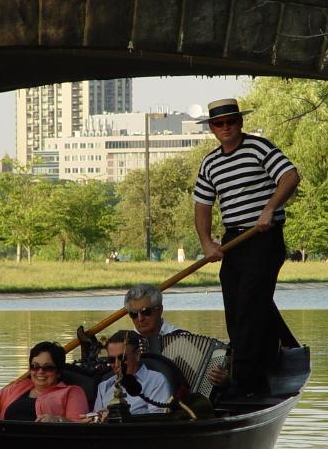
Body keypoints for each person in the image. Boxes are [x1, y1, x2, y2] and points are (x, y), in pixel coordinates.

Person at [193, 98, 300, 394]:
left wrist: (270, 208)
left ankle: (243, 377)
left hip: (264, 238)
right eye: (219, 123)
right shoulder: (210, 162)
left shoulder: (258, 147)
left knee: (250, 302)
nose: (226, 127)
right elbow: (202, 204)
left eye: (231, 121)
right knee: (236, 303)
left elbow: (290, 176)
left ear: (240, 122)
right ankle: (282, 348)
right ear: (212, 128)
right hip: (234, 241)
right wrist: (206, 242)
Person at [0, 341, 89, 423]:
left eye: (47, 368)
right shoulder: (17, 387)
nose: (40, 372)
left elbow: (80, 425)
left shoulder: (72, 392)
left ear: (58, 372)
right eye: (35, 366)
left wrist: (58, 420)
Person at [93, 331, 173, 417]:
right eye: (112, 360)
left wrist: (115, 416)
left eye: (122, 358)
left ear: (137, 354)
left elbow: (157, 422)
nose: (116, 365)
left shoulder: (156, 381)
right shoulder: (104, 387)